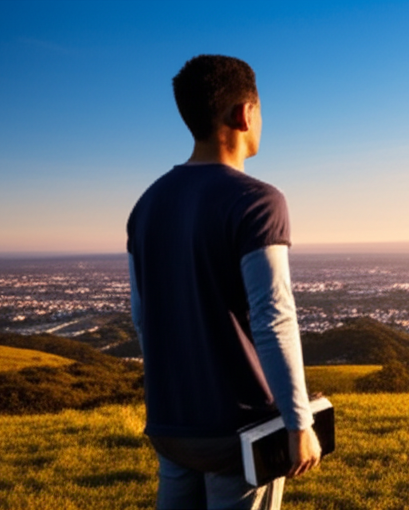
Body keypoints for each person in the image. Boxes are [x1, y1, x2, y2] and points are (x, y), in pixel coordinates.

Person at [127, 54, 320, 509]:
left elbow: (142, 317)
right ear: (244, 113)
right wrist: (298, 423)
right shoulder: (257, 202)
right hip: (240, 432)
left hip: (171, 426)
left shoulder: (147, 203)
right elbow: (273, 320)